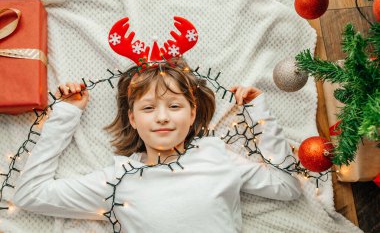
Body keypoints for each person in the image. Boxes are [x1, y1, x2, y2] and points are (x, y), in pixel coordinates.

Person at [12, 58, 302, 233]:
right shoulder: (118, 179)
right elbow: (30, 194)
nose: (162, 117)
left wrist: (258, 113)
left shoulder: (215, 155)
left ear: (191, 114)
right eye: (148, 108)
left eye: (174, 105)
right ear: (133, 119)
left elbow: (287, 187)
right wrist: (67, 114)